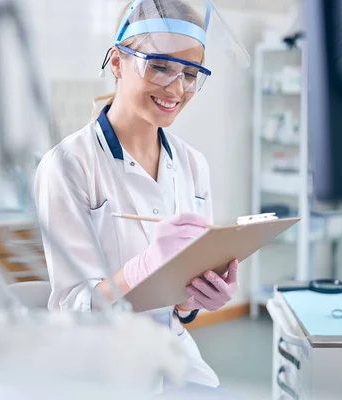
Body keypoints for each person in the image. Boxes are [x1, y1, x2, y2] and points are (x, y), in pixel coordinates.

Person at [34, 0, 243, 390]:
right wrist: (140, 270)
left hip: (172, 353)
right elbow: (74, 308)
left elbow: (181, 308)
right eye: (160, 66)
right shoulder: (68, 165)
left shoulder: (193, 165)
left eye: (190, 73)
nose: (177, 88)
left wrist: (199, 296)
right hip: (98, 365)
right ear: (116, 62)